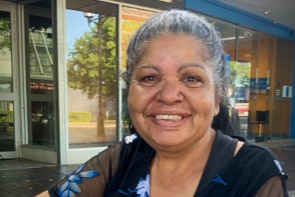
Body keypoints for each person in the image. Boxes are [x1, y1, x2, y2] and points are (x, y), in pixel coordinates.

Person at [37, 9, 288, 197]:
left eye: (191, 78)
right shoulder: (123, 157)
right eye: (149, 77)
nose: (168, 95)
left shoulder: (255, 171)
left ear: (217, 98)